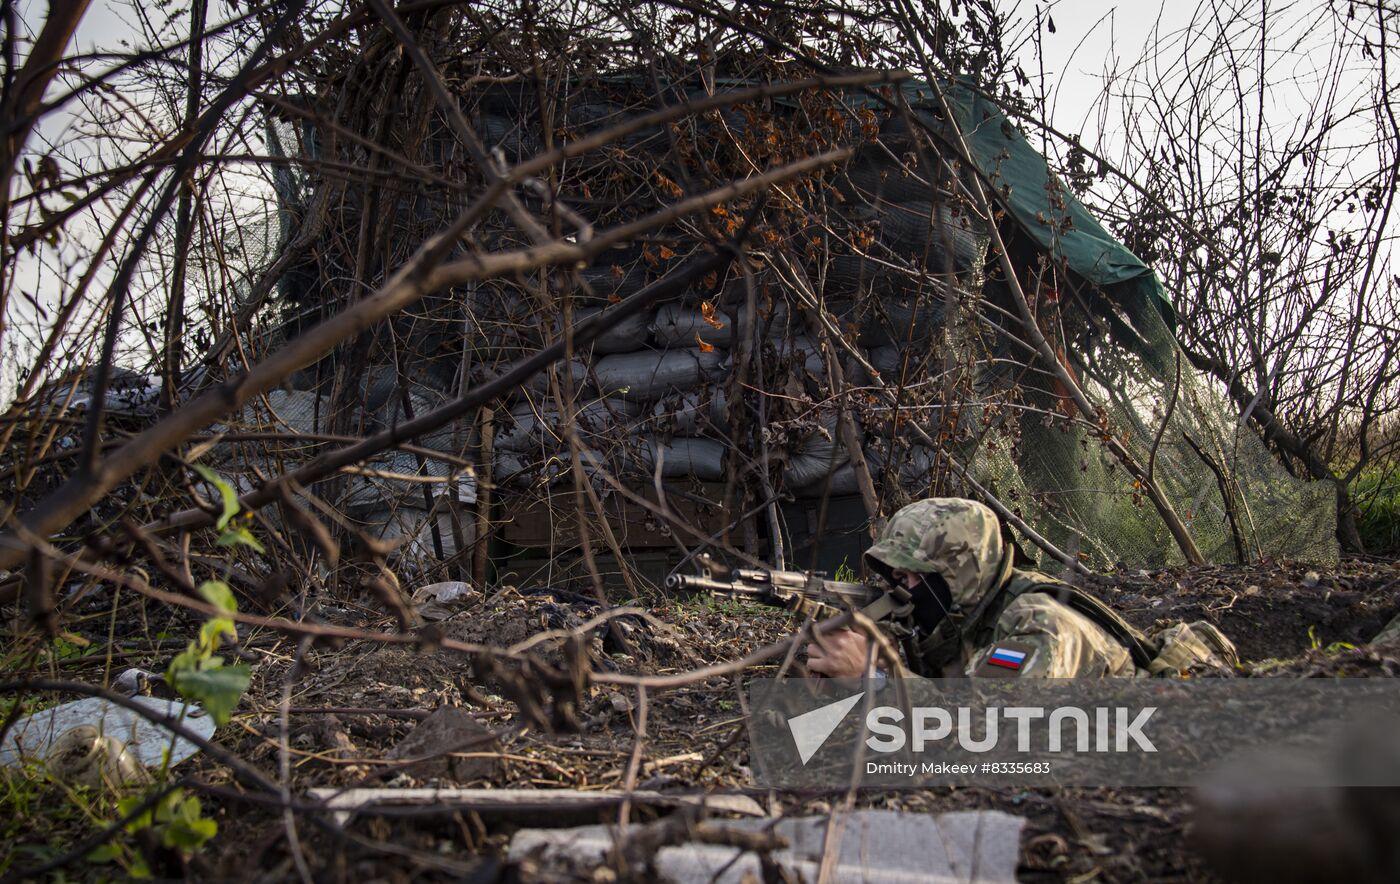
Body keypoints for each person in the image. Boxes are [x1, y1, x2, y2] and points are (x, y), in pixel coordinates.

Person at [805, 497, 1238, 678]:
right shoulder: (969, 618)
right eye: (897, 578)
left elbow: (985, 734)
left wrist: (870, 677)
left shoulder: (1037, 625)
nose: (904, 590)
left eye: (915, 576)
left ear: (960, 574)